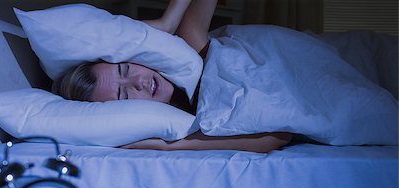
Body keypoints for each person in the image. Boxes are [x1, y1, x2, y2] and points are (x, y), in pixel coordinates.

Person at [52, 0, 292, 152]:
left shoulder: (194, 43)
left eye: (125, 70)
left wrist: (167, 21)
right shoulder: (197, 122)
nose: (138, 82)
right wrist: (169, 146)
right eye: (123, 95)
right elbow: (276, 136)